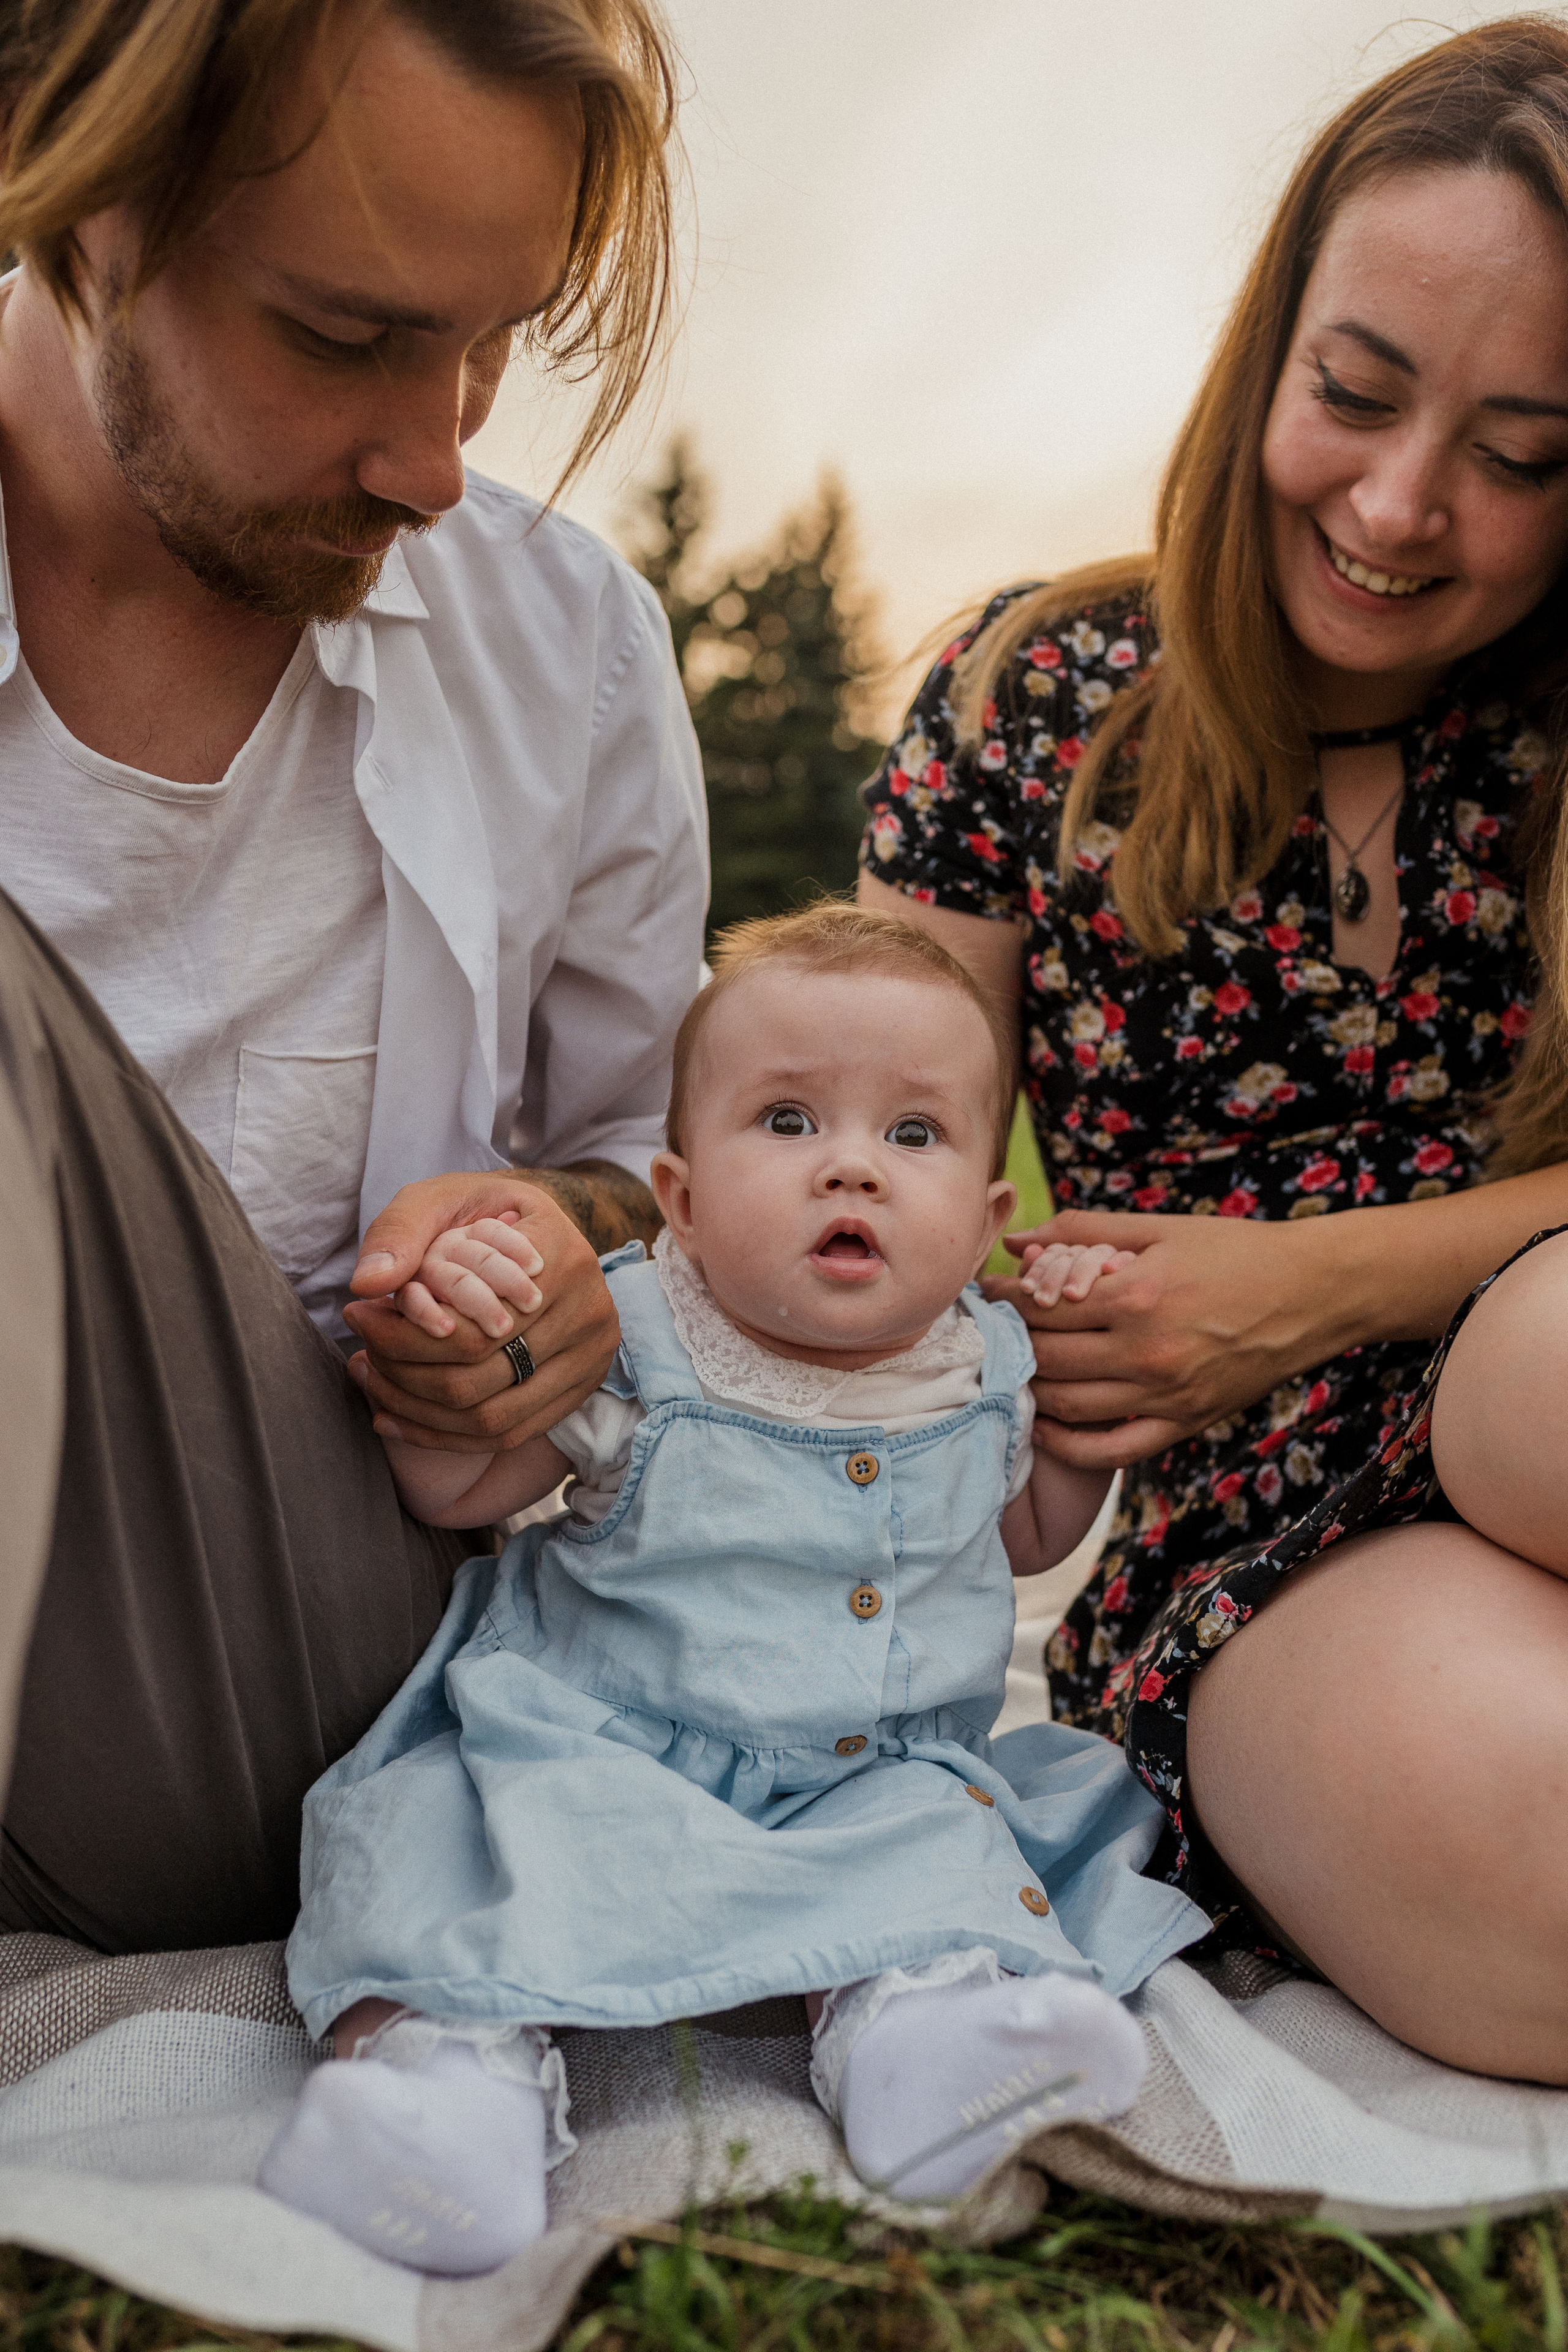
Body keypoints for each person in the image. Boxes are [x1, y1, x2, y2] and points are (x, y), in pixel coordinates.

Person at [860, 17, 1568, 2081]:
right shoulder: (1036, 697)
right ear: (1267, 348)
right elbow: (881, 1186)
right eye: (1355, 392)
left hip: (1527, 1355)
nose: (1403, 502)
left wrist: (1314, 1282)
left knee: (1543, 1362)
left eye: (1527, 454)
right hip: (1264, 1534)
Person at [0, 0, 707, 1953]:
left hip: (287, 1666)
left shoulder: (565, 648)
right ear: (86, 196)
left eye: (496, 341)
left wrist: (548, 1257)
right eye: (346, 335)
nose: (437, 458)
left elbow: (638, 1166)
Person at [253, 906, 1207, 2275]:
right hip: (598, 1746)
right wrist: (447, 1370)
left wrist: (1085, 1404)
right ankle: (440, 2099)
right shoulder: (639, 1334)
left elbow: (1030, 1542)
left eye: (914, 1136)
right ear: (683, 1199)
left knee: (942, 1867)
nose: (851, 1173)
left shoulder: (985, 1360)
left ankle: (923, 2051)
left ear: (989, 1219)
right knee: (448, 1863)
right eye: (787, 1123)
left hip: (864, 1776)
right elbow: (455, 1495)